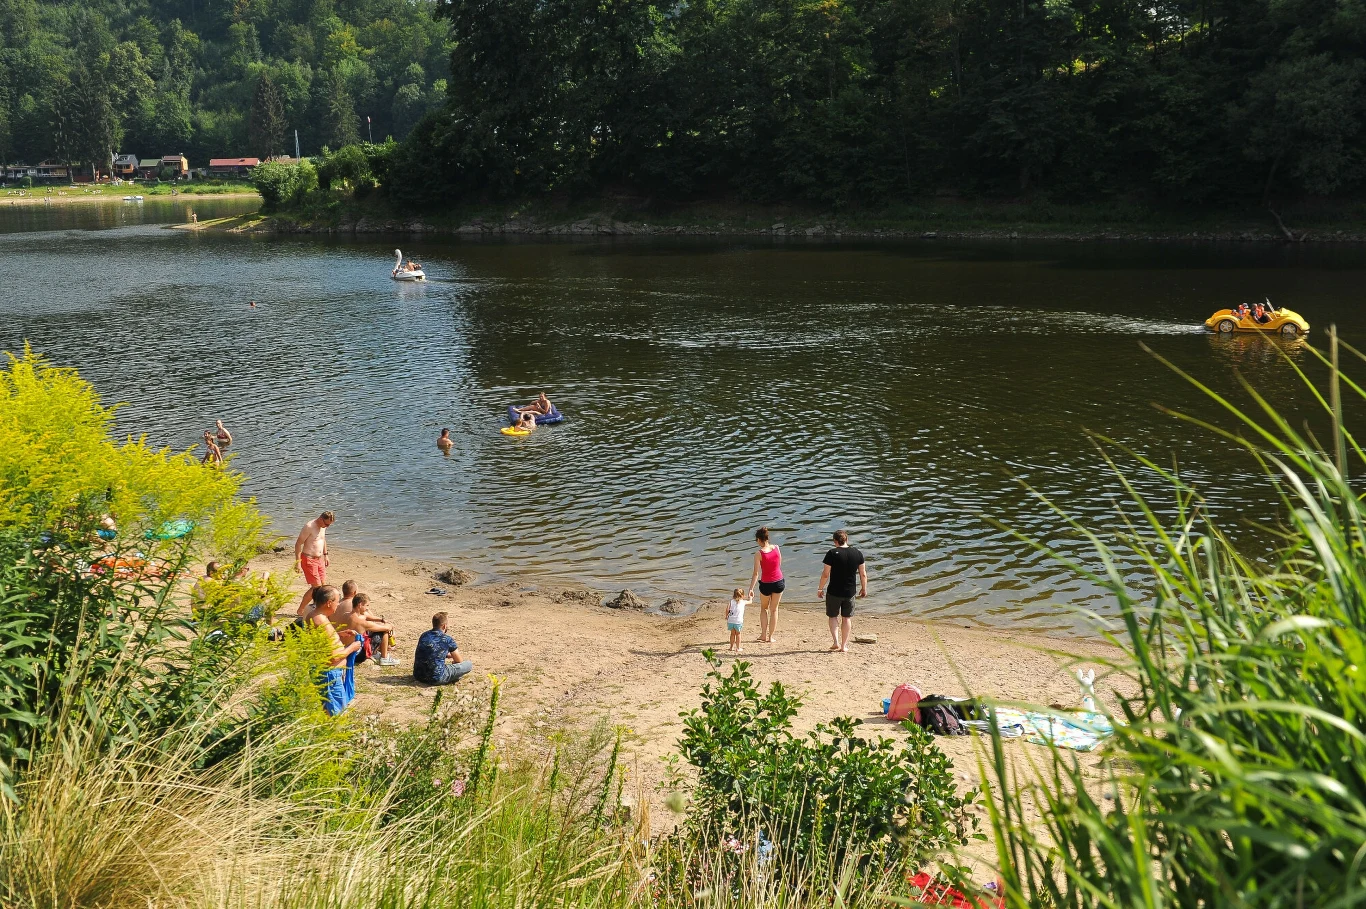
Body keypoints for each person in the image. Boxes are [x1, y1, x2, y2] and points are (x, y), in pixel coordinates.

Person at [302, 585, 363, 715]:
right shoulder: (321, 621)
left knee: (329, 712)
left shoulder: (314, 615)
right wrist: (352, 647)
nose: (339, 604)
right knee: (337, 715)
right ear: (329, 603)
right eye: (337, 600)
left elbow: (321, 643)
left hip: (326, 674)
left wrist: (336, 635)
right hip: (330, 676)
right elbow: (333, 657)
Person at [817, 529, 867, 653]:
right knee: (846, 618)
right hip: (850, 592)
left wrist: (820, 588)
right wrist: (864, 588)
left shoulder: (832, 553)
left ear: (835, 541)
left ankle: (835, 642)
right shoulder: (857, 553)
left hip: (834, 591)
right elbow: (863, 574)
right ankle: (844, 646)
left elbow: (825, 574)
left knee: (833, 616)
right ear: (847, 539)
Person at [747, 527, 785, 643]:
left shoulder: (759, 554)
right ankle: (770, 637)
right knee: (774, 610)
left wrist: (751, 589)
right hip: (779, 582)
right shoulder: (777, 548)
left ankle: (763, 634)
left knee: (764, 608)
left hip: (766, 584)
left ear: (759, 539)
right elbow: (779, 564)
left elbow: (756, 573)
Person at [294, 511, 336, 615]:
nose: (327, 526)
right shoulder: (309, 526)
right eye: (326, 524)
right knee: (316, 587)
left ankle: (317, 607)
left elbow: (323, 539)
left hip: (319, 559)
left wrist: (326, 554)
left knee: (323, 586)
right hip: (308, 559)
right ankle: (301, 610)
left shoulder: (323, 527)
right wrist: (298, 562)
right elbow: (298, 544)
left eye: (329, 525)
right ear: (321, 519)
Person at [414, 612, 472, 685]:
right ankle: (454, 677)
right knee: (468, 664)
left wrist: (445, 655)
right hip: (436, 678)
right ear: (444, 626)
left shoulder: (424, 635)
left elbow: (430, 650)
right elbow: (459, 661)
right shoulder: (447, 639)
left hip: (418, 676)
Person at [350, 594, 400, 666]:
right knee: (384, 632)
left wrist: (381, 620)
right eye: (367, 605)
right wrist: (389, 625)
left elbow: (367, 616)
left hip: (349, 651)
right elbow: (386, 628)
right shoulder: (362, 622)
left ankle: (377, 651)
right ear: (360, 605)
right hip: (359, 655)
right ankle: (384, 658)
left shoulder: (349, 615)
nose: (367, 608)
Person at [726, 587, 749, 653]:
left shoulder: (731, 601)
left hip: (731, 621)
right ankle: (738, 648)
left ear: (733, 595)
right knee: (738, 634)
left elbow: (727, 609)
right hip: (738, 621)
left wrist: (726, 616)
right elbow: (750, 601)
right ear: (743, 596)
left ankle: (731, 647)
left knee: (732, 634)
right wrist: (751, 597)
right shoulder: (743, 602)